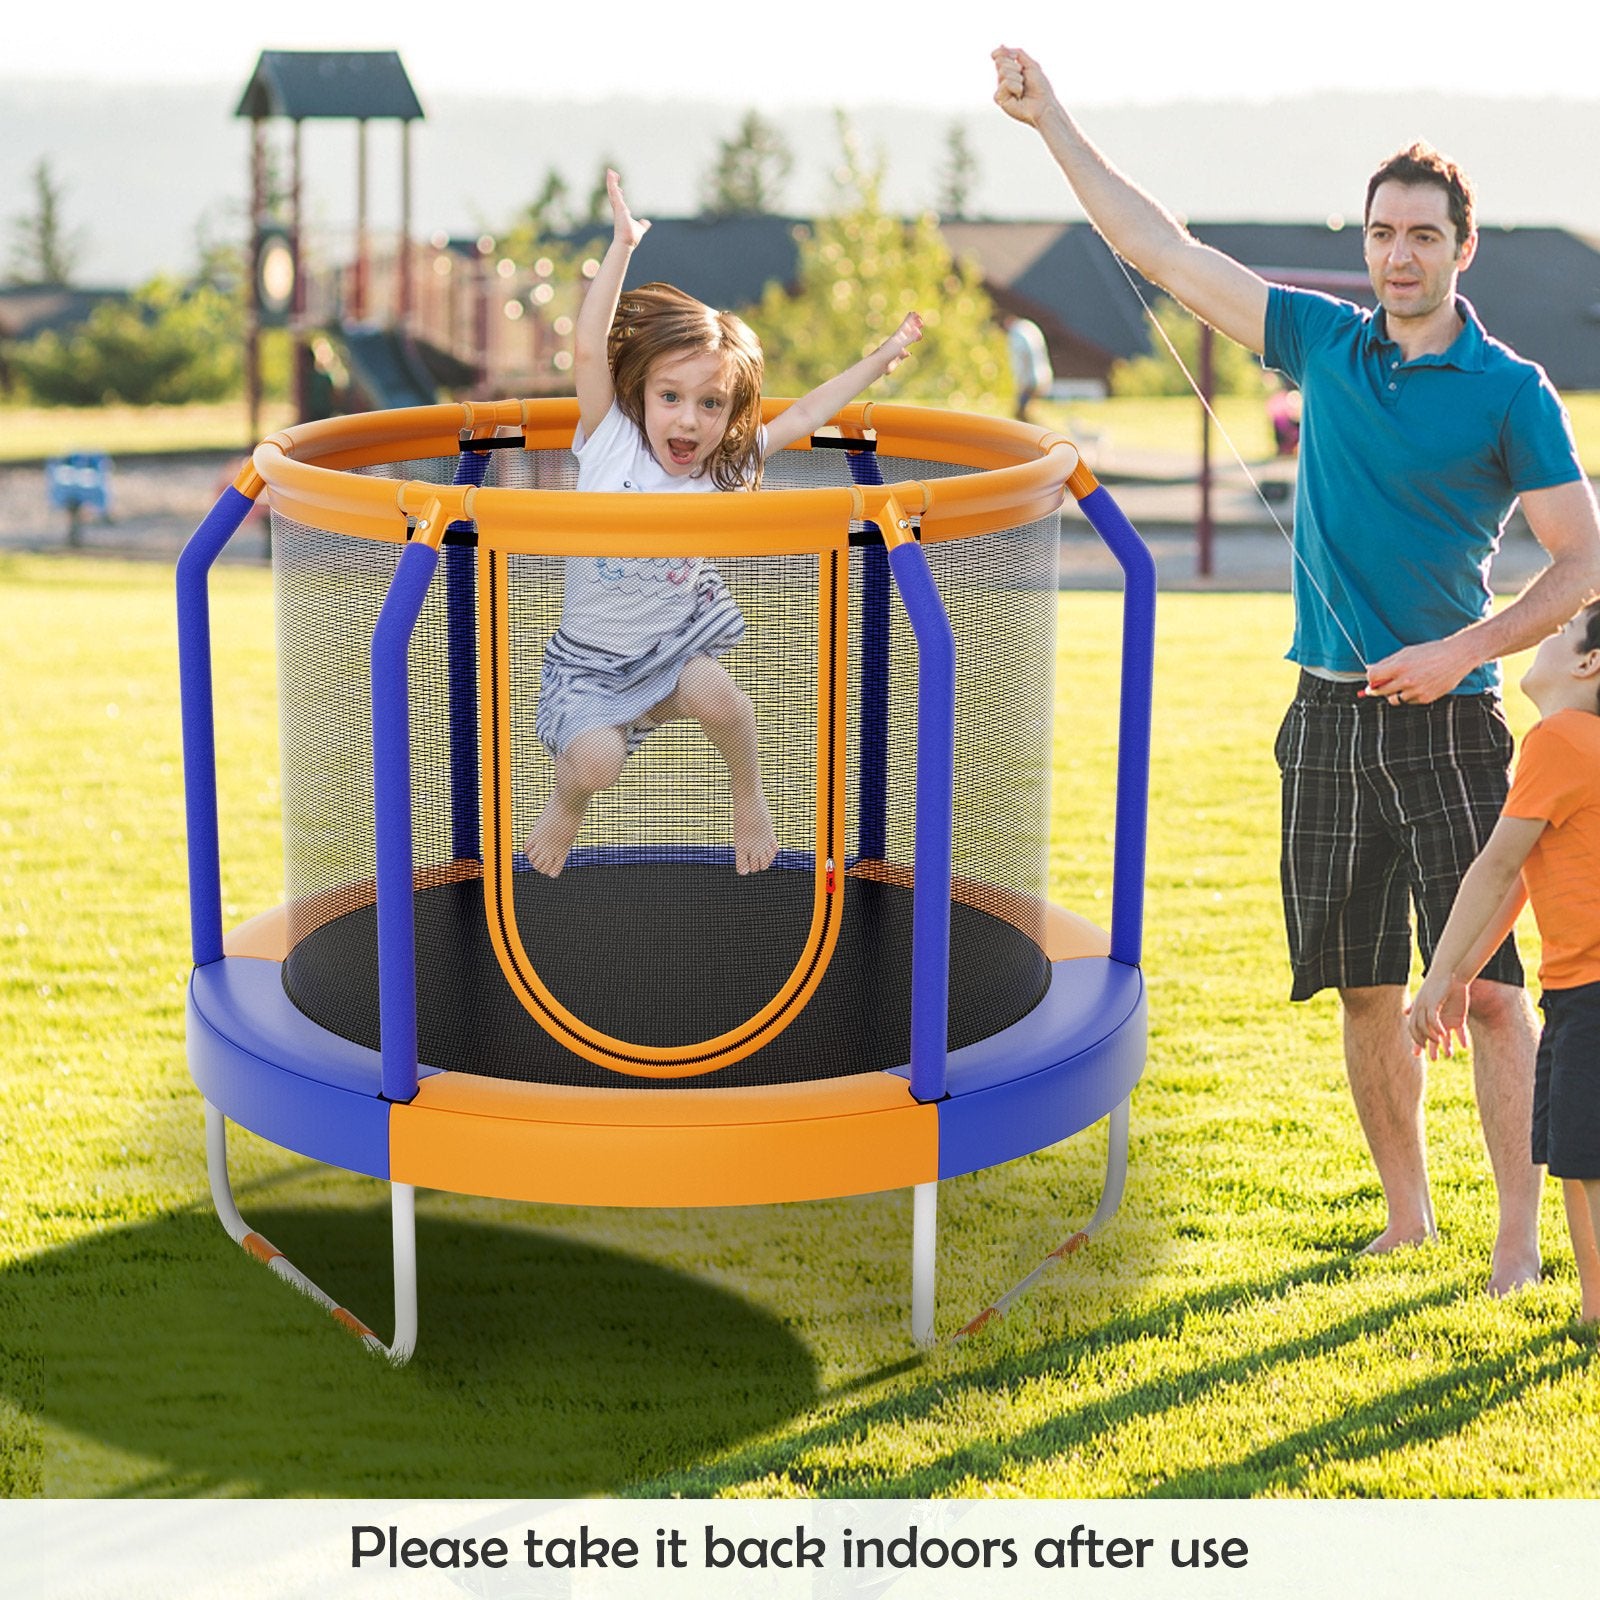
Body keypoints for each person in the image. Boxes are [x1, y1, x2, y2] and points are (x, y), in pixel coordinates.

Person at [992, 46, 1600, 1292]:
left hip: (1454, 727)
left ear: (1460, 249)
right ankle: (1407, 1216)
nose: (1396, 255)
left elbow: (1583, 559)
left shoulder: (1510, 393)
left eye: (1421, 235)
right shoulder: (1324, 341)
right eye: (1380, 233)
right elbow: (1162, 252)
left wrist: (1465, 648)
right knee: (1362, 988)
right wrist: (1050, 117)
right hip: (1319, 718)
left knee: (1485, 994)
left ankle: (1518, 1239)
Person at [523, 169, 923, 878]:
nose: (688, 418)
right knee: (596, 764)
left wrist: (879, 360)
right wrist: (622, 245)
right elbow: (587, 350)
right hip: (589, 666)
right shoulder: (609, 439)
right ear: (639, 392)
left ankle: (750, 798)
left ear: (729, 415)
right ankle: (566, 801)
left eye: (711, 404)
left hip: (671, 650)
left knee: (726, 703)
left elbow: (801, 415)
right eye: (671, 396)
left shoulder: (718, 471)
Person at [1409, 600, 1600, 1320]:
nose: (1544, 636)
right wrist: (1462, 975)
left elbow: (1493, 868)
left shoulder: (1560, 741)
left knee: (1588, 1159)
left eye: (1560, 630)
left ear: (1589, 662)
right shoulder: (1573, 745)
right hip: (1574, 992)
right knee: (1574, 1152)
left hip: (1592, 991)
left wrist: (1435, 974)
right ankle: (1592, 1309)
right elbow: (1525, 880)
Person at [1004, 312, 1054, 421]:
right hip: (1041, 374)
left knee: (1020, 413)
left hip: (1030, 378)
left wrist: (1021, 380)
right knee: (1026, 411)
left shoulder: (1018, 333)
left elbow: (1021, 357)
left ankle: (1033, 432)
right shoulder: (1029, 328)